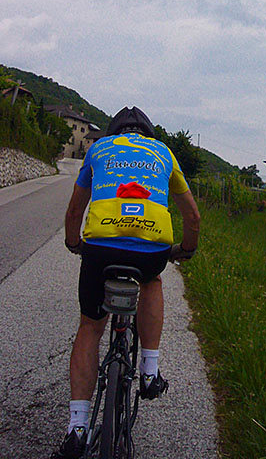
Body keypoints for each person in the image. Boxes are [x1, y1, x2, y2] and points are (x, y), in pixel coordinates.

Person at [51, 106, 201, 459]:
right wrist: (187, 249)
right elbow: (191, 215)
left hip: (100, 247)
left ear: (113, 133)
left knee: (90, 326)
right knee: (152, 282)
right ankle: (149, 372)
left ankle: (77, 429)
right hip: (151, 248)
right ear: (147, 134)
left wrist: (75, 243)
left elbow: (75, 211)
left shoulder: (98, 150)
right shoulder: (164, 153)